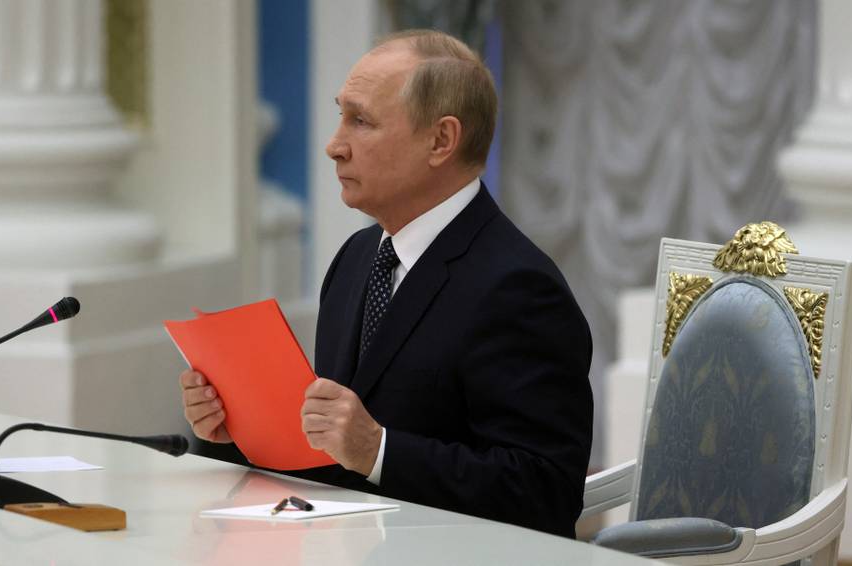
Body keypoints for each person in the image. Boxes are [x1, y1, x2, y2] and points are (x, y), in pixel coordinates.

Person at [180, 29, 593, 539]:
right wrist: (232, 433)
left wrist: (379, 451)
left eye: (362, 121)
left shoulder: (519, 287)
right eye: (340, 115)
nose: (334, 146)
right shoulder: (357, 258)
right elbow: (329, 457)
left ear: (441, 141)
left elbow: (545, 492)